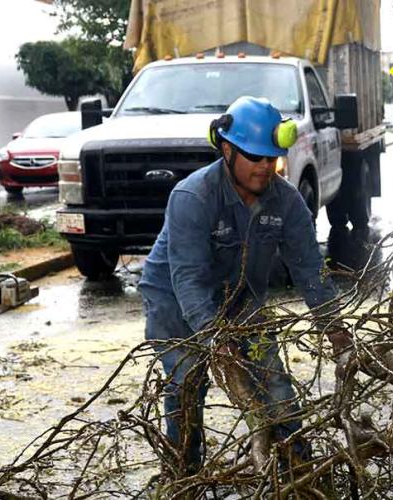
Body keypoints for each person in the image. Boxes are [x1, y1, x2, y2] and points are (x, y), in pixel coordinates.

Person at [139, 96, 349, 472]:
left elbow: (309, 270)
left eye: (271, 158)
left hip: (240, 300)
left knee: (277, 389)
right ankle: (184, 476)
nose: (265, 167)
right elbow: (187, 277)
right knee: (187, 383)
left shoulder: (286, 201)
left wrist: (336, 331)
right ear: (227, 149)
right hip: (174, 299)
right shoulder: (192, 197)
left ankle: (297, 472)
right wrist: (215, 339)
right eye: (255, 157)